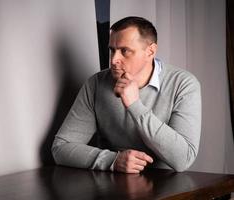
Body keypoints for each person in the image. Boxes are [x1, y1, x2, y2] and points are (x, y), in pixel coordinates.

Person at [52, 16, 201, 173]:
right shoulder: (96, 83)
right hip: (112, 186)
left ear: (150, 51)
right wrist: (113, 160)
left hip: (167, 187)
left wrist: (135, 105)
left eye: (125, 51)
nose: (114, 60)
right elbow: (61, 147)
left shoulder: (184, 84)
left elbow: (184, 159)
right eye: (112, 50)